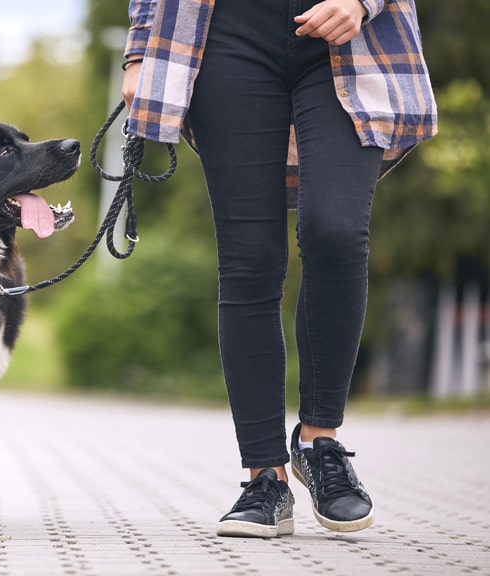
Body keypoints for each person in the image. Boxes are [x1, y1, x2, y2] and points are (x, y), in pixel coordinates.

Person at [121, 0, 437, 538]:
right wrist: (139, 48)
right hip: (225, 34)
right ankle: (264, 477)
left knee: (335, 231)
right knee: (249, 258)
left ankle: (320, 443)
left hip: (351, 33)